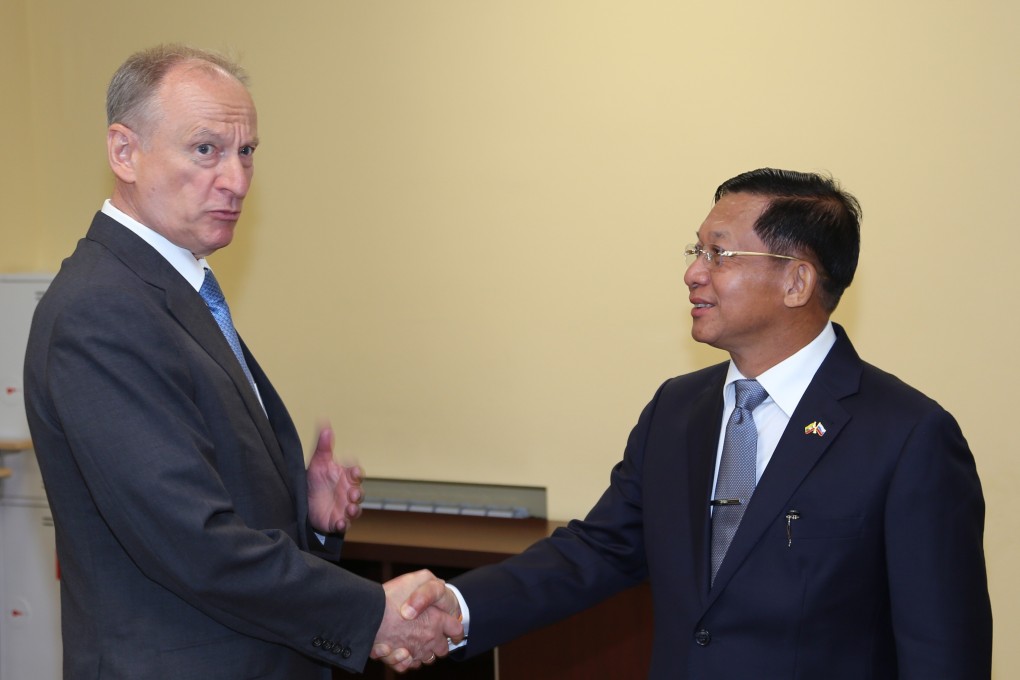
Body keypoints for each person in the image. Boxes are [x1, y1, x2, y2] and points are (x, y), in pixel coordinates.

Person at [388, 168, 993, 678]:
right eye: (696, 251)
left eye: (720, 253)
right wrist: (459, 606)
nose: (693, 273)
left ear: (797, 280)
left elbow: (942, 651)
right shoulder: (678, 411)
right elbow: (597, 550)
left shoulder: (908, 436)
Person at [24, 44, 459, 679]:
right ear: (124, 152)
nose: (235, 179)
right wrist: (371, 614)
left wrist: (302, 513)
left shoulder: (171, 290)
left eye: (246, 152)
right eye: (206, 150)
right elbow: (191, 540)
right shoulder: (103, 309)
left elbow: (207, 494)